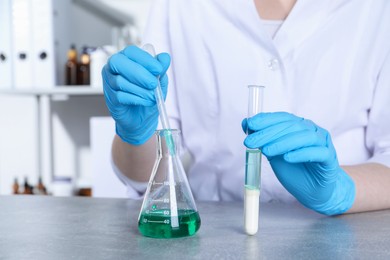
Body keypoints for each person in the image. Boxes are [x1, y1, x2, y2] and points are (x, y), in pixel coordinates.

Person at [102, 0, 390, 215]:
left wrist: (340, 190)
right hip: (216, 233)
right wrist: (135, 134)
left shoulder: (376, 8)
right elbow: (149, 173)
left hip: (347, 233)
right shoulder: (181, 5)